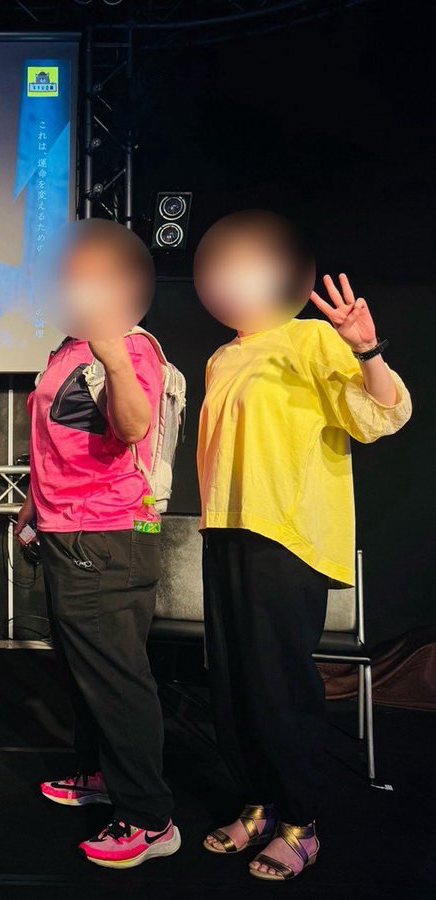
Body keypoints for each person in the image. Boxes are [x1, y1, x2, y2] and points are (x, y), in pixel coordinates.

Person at [193, 211, 411, 882]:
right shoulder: (223, 356)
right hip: (224, 531)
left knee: (278, 687)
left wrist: (367, 352)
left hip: (285, 537)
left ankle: (301, 822)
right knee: (233, 686)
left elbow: (381, 417)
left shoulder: (310, 337)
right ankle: (258, 804)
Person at [15, 221, 179, 868]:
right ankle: (103, 774)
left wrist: (112, 358)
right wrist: (33, 507)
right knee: (86, 671)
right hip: (67, 531)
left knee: (116, 678)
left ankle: (150, 818)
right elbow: (57, 443)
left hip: (106, 535)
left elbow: (134, 426)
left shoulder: (128, 346)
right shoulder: (69, 348)